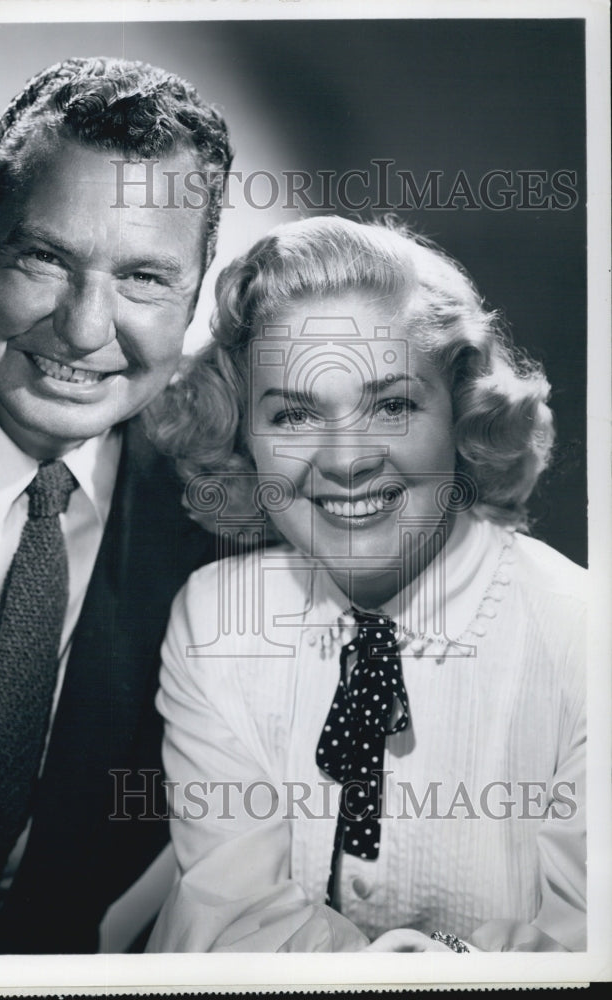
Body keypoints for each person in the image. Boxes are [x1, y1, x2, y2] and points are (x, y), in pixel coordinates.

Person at [0, 56, 232, 956]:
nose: (84, 326)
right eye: (44, 257)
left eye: (144, 278)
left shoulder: (223, 509)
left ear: (193, 291)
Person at [146, 217, 587, 952]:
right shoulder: (216, 618)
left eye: (391, 405)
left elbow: (586, 954)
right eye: (292, 413)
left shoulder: (585, 639)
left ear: (462, 412)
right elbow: (235, 925)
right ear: (241, 434)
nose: (346, 460)